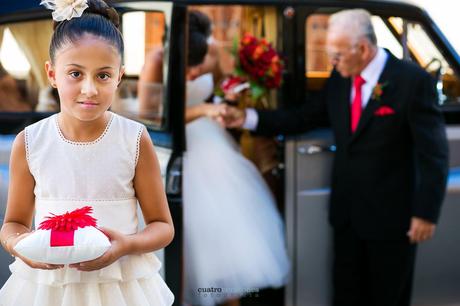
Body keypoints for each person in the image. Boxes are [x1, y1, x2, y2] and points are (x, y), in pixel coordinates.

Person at [225, 9, 448, 306]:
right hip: (347, 214)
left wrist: (425, 213)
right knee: (345, 294)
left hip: (392, 218)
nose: (332, 62)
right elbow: (304, 117)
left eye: (337, 55)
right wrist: (247, 118)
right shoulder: (341, 76)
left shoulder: (412, 82)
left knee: (388, 297)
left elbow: (433, 153)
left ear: (363, 49)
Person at [0, 1, 175, 305]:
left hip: (121, 288)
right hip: (49, 289)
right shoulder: (30, 142)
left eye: (103, 75)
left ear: (119, 76)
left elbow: (162, 226)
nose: (90, 89)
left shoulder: (134, 139)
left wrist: (126, 245)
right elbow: (12, 224)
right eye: (75, 74)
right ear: (52, 74)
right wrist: (21, 247)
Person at [139, 10, 290, 306]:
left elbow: (222, 86)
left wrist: (229, 100)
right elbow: (151, 119)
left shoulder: (213, 50)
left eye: (197, 67)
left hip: (214, 148)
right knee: (195, 244)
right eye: (188, 68)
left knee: (229, 240)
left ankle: (227, 298)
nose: (194, 75)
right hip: (179, 149)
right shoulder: (155, 61)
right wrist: (204, 111)